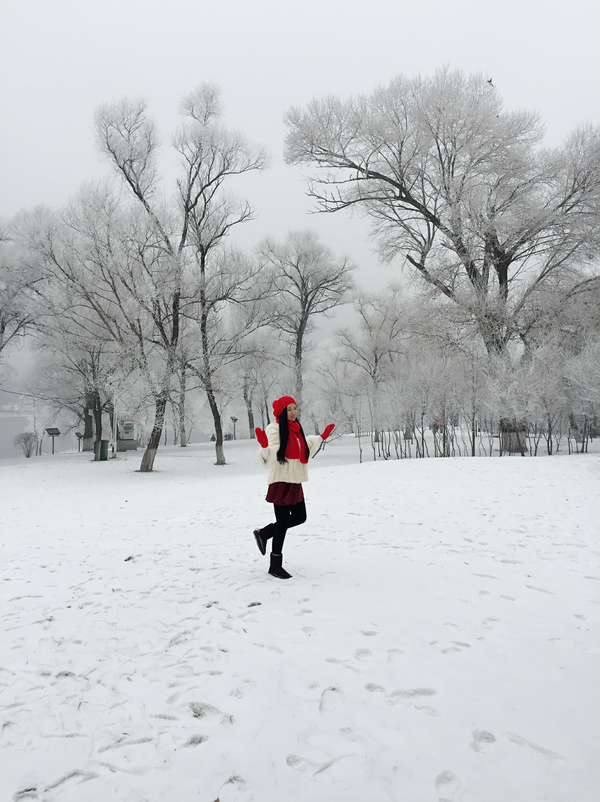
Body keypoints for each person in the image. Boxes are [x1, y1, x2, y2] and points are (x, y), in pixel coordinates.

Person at [253, 396, 335, 579]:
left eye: (295, 408)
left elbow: (305, 447)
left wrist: (321, 437)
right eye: (289, 409)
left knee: (300, 517)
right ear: (282, 412)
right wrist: (265, 447)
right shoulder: (274, 429)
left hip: (295, 481)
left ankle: (265, 533)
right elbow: (273, 451)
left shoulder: (297, 430)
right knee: (282, 523)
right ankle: (275, 565)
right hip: (281, 480)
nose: (293, 412)